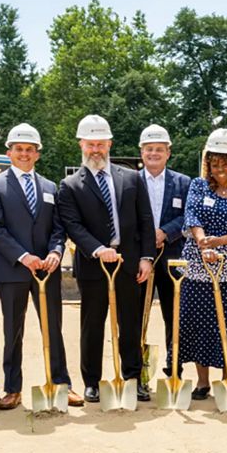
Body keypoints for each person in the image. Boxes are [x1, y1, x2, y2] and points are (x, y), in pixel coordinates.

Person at [57, 115, 157, 403]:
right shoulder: (70, 185)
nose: (96, 150)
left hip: (128, 262)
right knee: (92, 323)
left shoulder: (131, 178)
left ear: (109, 144)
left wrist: (147, 257)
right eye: (90, 144)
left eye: (100, 144)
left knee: (130, 322)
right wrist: (97, 249)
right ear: (81, 145)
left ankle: (133, 377)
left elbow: (145, 219)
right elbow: (73, 226)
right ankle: (91, 381)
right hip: (93, 264)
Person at [0, 123, 83, 410]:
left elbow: (58, 227)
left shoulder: (50, 187)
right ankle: (12, 388)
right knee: (12, 330)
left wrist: (55, 251)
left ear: (37, 154)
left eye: (30, 150)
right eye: (19, 149)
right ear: (9, 152)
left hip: (46, 270)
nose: (24, 154)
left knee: (53, 327)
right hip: (13, 269)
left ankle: (60, 383)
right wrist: (23, 256)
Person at [176, 129, 227, 399]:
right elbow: (192, 217)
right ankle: (202, 382)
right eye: (214, 163)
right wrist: (203, 244)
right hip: (200, 268)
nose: (220, 169)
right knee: (199, 323)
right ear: (208, 164)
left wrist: (218, 242)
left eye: (225, 163)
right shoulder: (198, 187)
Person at [137, 124, 192, 383]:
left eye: (159, 149)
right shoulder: (130, 181)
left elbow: (188, 216)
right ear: (142, 152)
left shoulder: (183, 182)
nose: (154, 153)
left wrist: (165, 233)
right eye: (149, 149)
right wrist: (148, 237)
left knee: (175, 314)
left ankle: (175, 366)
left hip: (173, 256)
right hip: (141, 259)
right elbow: (126, 217)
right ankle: (137, 366)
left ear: (168, 152)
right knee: (137, 314)